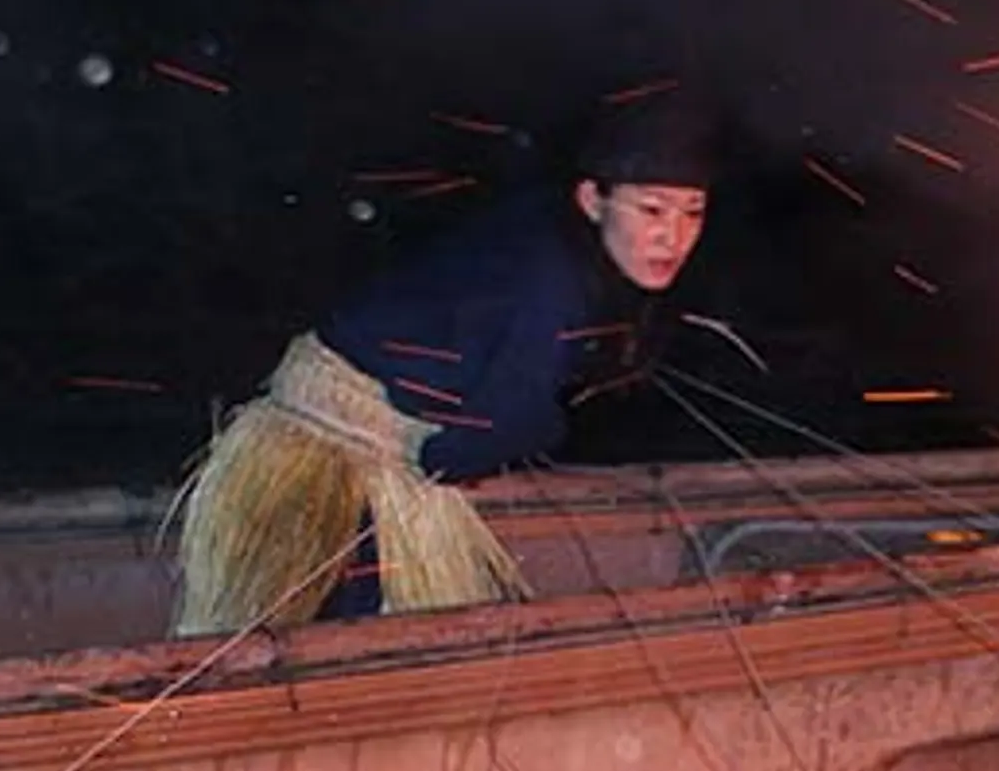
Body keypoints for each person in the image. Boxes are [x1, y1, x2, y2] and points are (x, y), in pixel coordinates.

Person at [169, 91, 716, 636]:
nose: (674, 236)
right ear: (592, 200)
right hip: (341, 458)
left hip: (331, 431)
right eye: (651, 209)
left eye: (694, 213)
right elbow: (457, 451)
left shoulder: (541, 232)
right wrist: (550, 422)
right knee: (331, 639)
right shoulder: (549, 282)